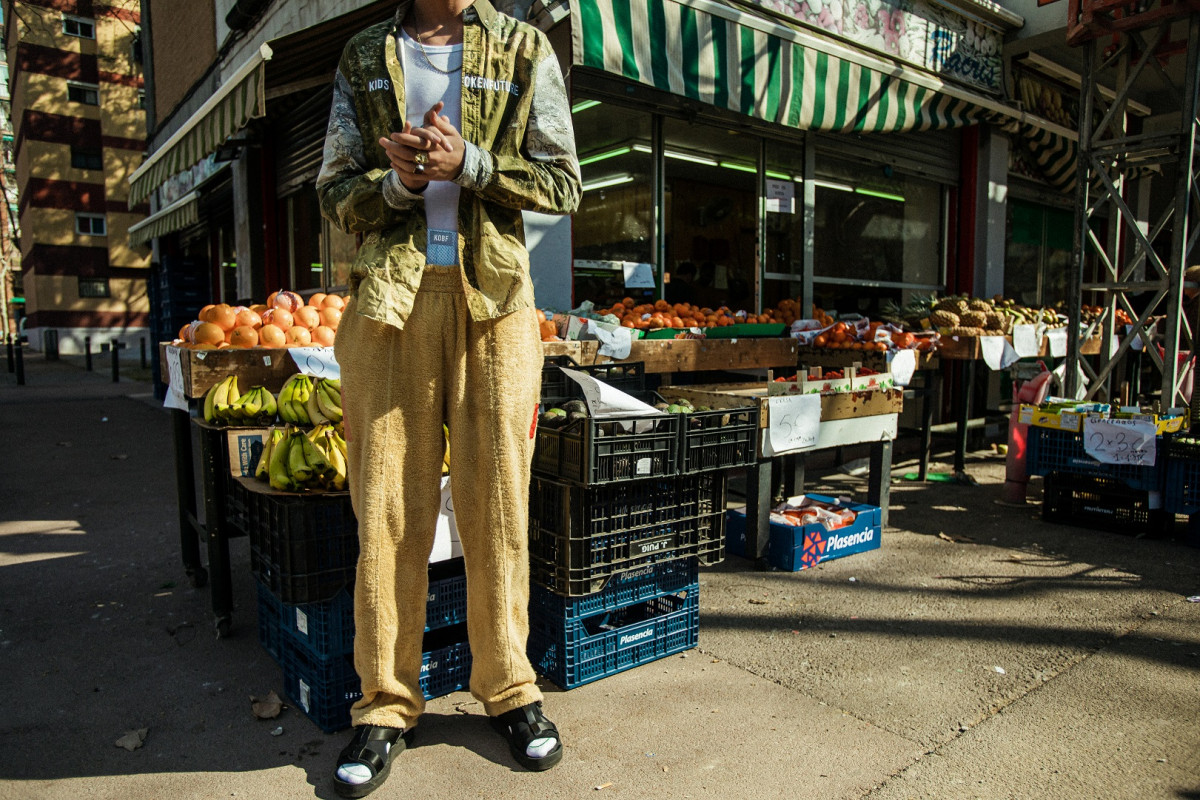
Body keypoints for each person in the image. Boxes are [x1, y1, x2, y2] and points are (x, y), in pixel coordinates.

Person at [315, 0, 581, 795]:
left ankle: (509, 688)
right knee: (386, 505)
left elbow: (564, 182)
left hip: (495, 299)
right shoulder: (365, 54)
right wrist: (396, 181)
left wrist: (470, 162)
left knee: (496, 499)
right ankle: (387, 703)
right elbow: (334, 192)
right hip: (389, 300)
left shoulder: (525, 47)